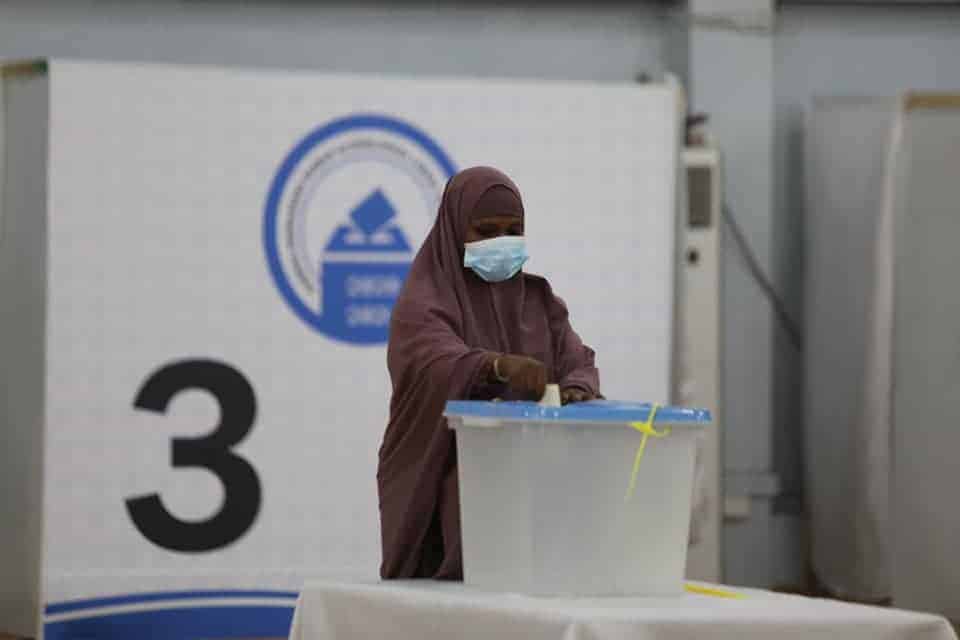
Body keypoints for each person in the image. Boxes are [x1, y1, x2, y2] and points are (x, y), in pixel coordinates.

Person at [377, 166, 601, 580]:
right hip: (441, 479)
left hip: (532, 484)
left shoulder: (540, 301)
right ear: (455, 230)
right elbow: (432, 359)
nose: (502, 241)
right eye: (486, 231)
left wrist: (575, 390)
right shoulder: (422, 302)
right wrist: (493, 366)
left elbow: (578, 361)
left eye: (513, 231)